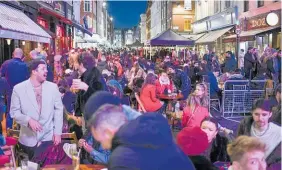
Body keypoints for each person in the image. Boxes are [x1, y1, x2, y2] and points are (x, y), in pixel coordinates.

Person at [88, 104, 195, 170]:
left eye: (100, 139)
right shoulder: (147, 133)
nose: (102, 145)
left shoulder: (123, 155)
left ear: (108, 132)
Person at [10, 59, 63, 160]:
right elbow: (14, 113)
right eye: (43, 69)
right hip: (28, 140)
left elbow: (58, 110)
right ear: (34, 71)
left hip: (49, 138)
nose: (46, 71)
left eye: (46, 68)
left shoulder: (53, 87)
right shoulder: (18, 89)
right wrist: (28, 120)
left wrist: (57, 132)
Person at [237, 99, 281, 168]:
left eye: (264, 115)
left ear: (270, 114)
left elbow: (279, 160)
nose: (260, 118)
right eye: (256, 114)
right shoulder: (245, 125)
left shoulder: (278, 132)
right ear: (252, 113)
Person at [0, 48, 29, 128]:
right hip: (23, 92)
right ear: (22, 55)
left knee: (10, 111)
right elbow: (29, 79)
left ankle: (9, 130)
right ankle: (20, 129)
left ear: (13, 54)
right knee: (22, 111)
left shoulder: (6, 63)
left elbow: (1, 76)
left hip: (10, 91)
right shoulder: (25, 65)